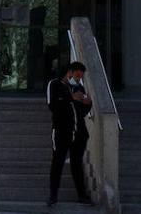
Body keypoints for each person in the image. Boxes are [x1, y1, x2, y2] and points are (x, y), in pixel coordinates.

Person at [47, 60, 93, 206]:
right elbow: (53, 105)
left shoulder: (79, 88)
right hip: (62, 131)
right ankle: (53, 195)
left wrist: (87, 103)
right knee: (58, 162)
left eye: (80, 77)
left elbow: (83, 111)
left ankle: (82, 195)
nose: (78, 79)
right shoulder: (55, 85)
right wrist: (71, 98)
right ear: (70, 73)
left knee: (77, 164)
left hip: (79, 132)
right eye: (77, 76)